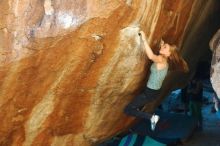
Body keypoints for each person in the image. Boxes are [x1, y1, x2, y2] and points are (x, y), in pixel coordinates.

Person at [124, 31, 189, 131]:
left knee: (128, 110)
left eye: (165, 47)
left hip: (150, 93)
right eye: (163, 46)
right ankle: (141, 114)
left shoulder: (161, 59)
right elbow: (161, 51)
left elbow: (151, 56)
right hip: (152, 91)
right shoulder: (164, 59)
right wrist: (163, 44)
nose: (162, 47)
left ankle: (152, 117)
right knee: (135, 106)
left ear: (169, 54)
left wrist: (144, 39)